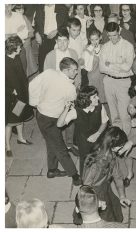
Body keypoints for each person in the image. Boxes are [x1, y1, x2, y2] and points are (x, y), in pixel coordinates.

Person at [29, 57, 81, 186]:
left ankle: (52, 170)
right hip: (51, 120)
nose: (76, 73)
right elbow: (72, 105)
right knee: (61, 148)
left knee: (51, 142)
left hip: (40, 114)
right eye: (74, 70)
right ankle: (75, 176)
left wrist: (35, 102)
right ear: (66, 70)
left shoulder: (49, 72)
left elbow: (32, 84)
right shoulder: (70, 87)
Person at [82, 127, 131, 222]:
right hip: (94, 192)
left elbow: (117, 176)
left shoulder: (111, 155)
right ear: (112, 145)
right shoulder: (95, 163)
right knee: (106, 217)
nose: (123, 148)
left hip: (105, 186)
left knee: (114, 206)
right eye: (121, 146)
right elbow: (86, 187)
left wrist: (122, 196)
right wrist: (95, 202)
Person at [57, 86, 109, 176]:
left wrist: (97, 134)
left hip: (99, 137)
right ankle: (84, 182)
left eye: (97, 96)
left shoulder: (100, 107)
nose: (98, 98)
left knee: (100, 159)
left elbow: (104, 122)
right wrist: (66, 108)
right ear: (87, 100)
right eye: (94, 97)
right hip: (83, 140)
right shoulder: (76, 111)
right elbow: (59, 124)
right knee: (85, 160)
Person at [99, 22, 135, 135]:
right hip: (108, 81)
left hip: (123, 82)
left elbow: (127, 67)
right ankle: (117, 141)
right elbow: (102, 68)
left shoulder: (128, 46)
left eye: (114, 35)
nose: (112, 38)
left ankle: (127, 140)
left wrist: (111, 64)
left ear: (119, 31)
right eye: (109, 36)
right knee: (114, 115)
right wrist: (118, 65)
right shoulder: (105, 46)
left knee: (124, 115)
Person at [5, 36, 33, 157]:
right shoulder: (5, 62)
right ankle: (7, 146)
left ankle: (20, 138)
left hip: (21, 95)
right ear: (14, 48)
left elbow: (21, 75)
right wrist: (12, 91)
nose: (21, 49)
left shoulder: (16, 58)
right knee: (11, 122)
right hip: (11, 98)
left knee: (19, 117)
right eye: (19, 47)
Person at [80, 29, 107, 111]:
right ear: (89, 39)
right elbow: (86, 67)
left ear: (100, 38)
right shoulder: (87, 49)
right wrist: (90, 52)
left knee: (104, 98)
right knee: (93, 99)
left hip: (103, 76)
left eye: (96, 39)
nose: (94, 42)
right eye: (92, 40)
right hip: (92, 78)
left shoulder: (104, 47)